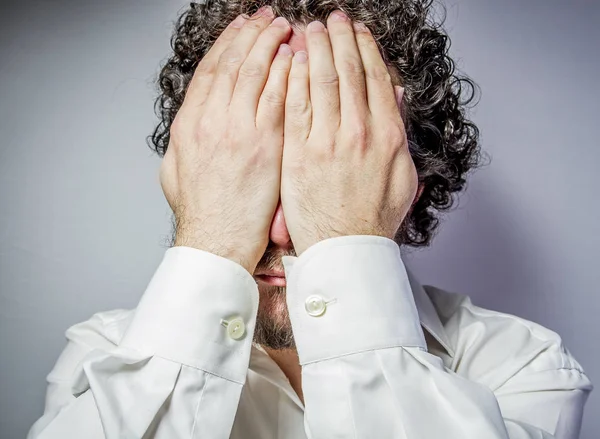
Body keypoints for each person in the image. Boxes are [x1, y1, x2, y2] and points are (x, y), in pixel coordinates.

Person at [27, 2, 593, 438]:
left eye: (331, 167)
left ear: (402, 185)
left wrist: (344, 241)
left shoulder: (521, 366)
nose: (279, 231)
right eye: (249, 168)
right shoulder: (102, 356)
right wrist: (211, 241)